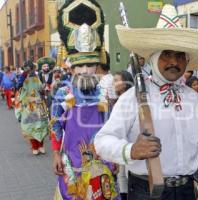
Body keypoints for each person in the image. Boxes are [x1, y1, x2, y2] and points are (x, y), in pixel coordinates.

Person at [94, 4, 198, 200]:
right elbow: (101, 141)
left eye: (179, 56)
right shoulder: (132, 97)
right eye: (166, 55)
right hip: (145, 191)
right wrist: (130, 150)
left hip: (187, 190)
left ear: (187, 61)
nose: (173, 62)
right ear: (154, 58)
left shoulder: (195, 99)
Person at [51, 1, 120, 199]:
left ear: (97, 66)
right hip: (73, 166)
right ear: (71, 68)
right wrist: (56, 154)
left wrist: (115, 156)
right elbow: (56, 126)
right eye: (79, 66)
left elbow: (111, 127)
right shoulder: (63, 93)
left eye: (90, 65)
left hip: (103, 164)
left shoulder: (103, 94)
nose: (84, 71)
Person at [16, 60, 48, 155]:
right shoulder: (22, 77)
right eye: (28, 69)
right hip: (28, 106)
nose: (31, 70)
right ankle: (35, 147)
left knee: (41, 125)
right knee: (31, 125)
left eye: (31, 68)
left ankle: (41, 146)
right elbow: (19, 86)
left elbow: (41, 88)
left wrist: (43, 88)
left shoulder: (38, 76)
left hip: (39, 104)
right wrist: (24, 76)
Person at [113, 70, 134, 200]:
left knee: (126, 175)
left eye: (116, 80)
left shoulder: (129, 101)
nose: (113, 83)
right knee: (121, 176)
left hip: (128, 145)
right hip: (121, 145)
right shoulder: (120, 100)